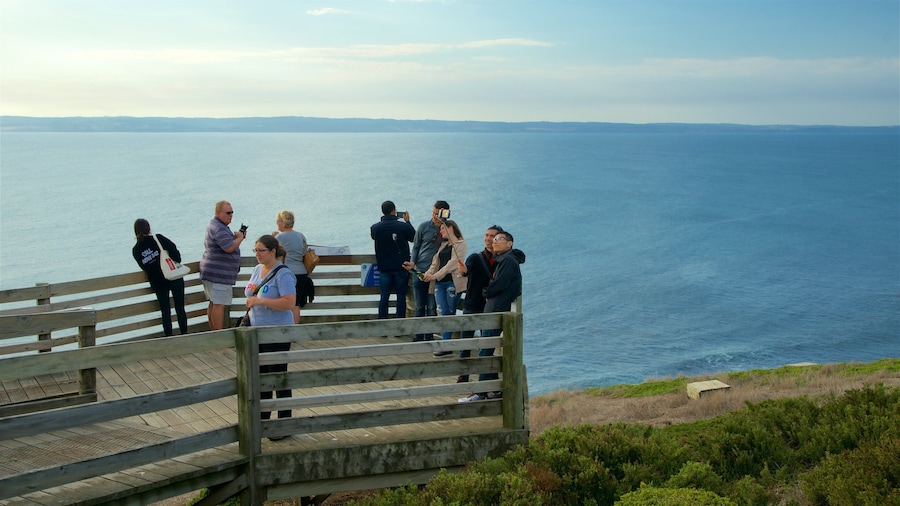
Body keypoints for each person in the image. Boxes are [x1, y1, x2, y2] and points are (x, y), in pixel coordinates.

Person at [460, 230, 525, 403]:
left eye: (499, 239)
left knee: (485, 350)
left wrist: (486, 291)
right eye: (494, 239)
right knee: (486, 349)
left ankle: (480, 392)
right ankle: (493, 390)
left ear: (509, 243)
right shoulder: (503, 260)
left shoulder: (508, 260)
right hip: (494, 308)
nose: (495, 241)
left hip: (496, 309)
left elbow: (500, 284)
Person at [245, 235, 297, 434]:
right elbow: (250, 291)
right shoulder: (257, 270)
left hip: (278, 332)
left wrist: (261, 302)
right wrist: (253, 299)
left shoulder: (283, 274)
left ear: (273, 251)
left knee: (279, 377)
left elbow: (289, 302)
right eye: (255, 250)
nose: (257, 254)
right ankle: (263, 421)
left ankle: (284, 424)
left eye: (261, 250)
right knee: (263, 378)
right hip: (258, 332)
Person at [455, 225, 505, 381]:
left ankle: (489, 378)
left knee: (487, 345)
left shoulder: (501, 260)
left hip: (489, 308)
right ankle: (464, 375)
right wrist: (463, 271)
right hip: (472, 305)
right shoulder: (475, 258)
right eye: (487, 235)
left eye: (492, 236)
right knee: (466, 344)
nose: (488, 238)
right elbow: (466, 270)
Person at [131, 219, 188, 336]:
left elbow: (144, 267)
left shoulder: (136, 250)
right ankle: (184, 334)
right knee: (180, 308)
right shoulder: (158, 239)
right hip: (174, 277)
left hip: (158, 282)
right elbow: (174, 251)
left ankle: (169, 337)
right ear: (149, 228)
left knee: (165, 311)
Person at [421, 220, 467, 357]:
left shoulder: (461, 244)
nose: (440, 231)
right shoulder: (443, 245)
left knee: (449, 313)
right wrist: (428, 274)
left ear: (451, 228)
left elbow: (452, 264)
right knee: (443, 312)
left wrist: (434, 276)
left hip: (452, 283)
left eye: (442, 228)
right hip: (439, 284)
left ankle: (446, 345)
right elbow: (435, 263)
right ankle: (446, 344)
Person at [199, 200, 246, 331]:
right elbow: (229, 247)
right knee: (219, 304)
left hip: (211, 271)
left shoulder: (217, 225)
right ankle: (219, 335)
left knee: (214, 303)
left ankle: (215, 333)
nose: (231, 215)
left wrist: (237, 237)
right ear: (218, 213)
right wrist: (239, 238)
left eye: (232, 213)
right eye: (228, 213)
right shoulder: (218, 227)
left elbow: (229, 244)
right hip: (218, 273)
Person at [411, 200, 450, 341]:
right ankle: (418, 335)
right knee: (419, 306)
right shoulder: (423, 227)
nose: (434, 216)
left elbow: (455, 245)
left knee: (432, 306)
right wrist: (413, 263)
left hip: (435, 273)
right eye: (433, 213)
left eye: (437, 214)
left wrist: (445, 225)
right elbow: (416, 247)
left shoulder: (448, 230)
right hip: (420, 270)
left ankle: (429, 335)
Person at [370, 200, 416, 320]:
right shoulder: (403, 226)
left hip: (384, 268)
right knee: (401, 297)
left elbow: (374, 237)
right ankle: (399, 326)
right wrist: (408, 222)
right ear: (394, 211)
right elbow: (414, 238)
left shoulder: (375, 228)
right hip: (401, 267)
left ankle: (383, 325)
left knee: (384, 296)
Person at [272, 210, 312, 324]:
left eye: (278, 221)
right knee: (296, 304)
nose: (277, 223)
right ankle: (294, 330)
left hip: (287, 273)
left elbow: (273, 253)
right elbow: (304, 251)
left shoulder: (280, 237)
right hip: (302, 273)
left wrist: (273, 237)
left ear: (283, 223)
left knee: (286, 303)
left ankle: (286, 330)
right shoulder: (301, 236)